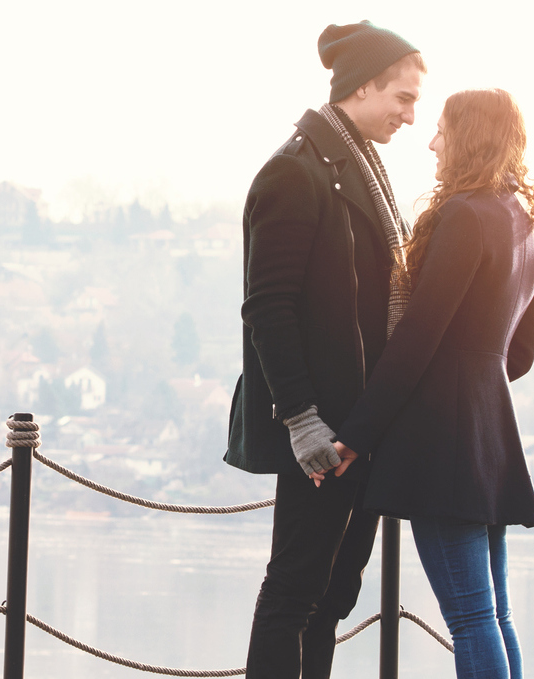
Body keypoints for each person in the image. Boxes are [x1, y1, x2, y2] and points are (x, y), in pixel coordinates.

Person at [323, 88, 534, 679]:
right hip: (490, 436)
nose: (431, 143)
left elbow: (417, 338)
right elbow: (519, 355)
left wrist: (355, 437)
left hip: (441, 442)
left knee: (471, 616)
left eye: (442, 132)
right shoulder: (525, 222)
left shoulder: (463, 216)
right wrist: (476, 374)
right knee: (495, 613)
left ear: (469, 137)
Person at [224, 20, 423, 678]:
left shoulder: (360, 166)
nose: (409, 115)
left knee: (333, 594)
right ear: (362, 86)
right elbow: (267, 307)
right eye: (402, 97)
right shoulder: (292, 172)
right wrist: (301, 417)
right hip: (323, 430)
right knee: (293, 589)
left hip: (358, 426)